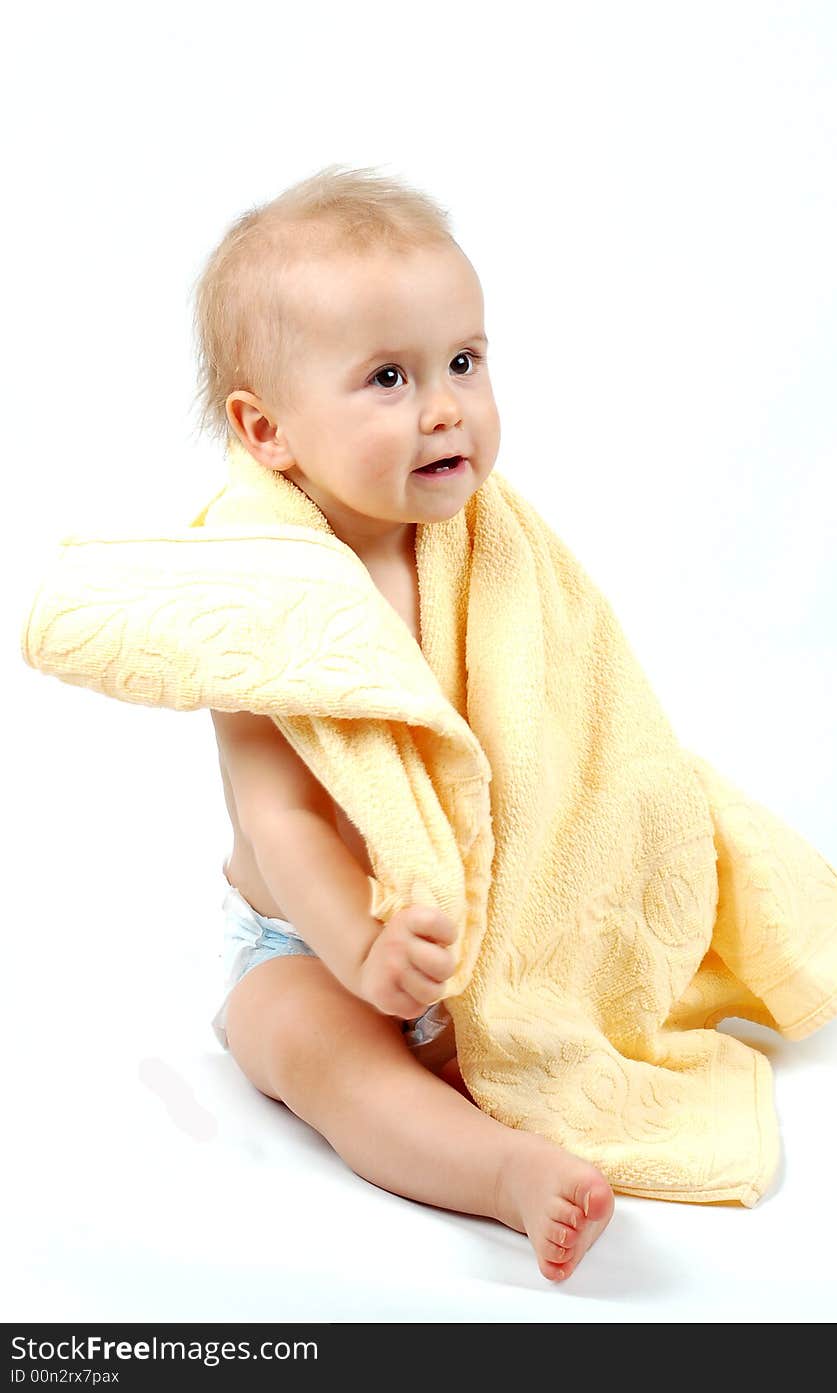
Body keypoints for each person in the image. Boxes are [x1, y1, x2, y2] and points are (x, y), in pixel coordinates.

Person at [195, 164, 615, 1282]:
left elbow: (550, 723)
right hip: (305, 942)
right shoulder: (266, 590)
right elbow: (278, 817)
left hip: (460, 931)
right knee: (324, 1058)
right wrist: (359, 947)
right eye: (388, 376)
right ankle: (504, 1175)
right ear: (267, 428)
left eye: (463, 363)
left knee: (560, 1020)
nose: (445, 406)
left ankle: (510, 1064)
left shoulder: (478, 554)